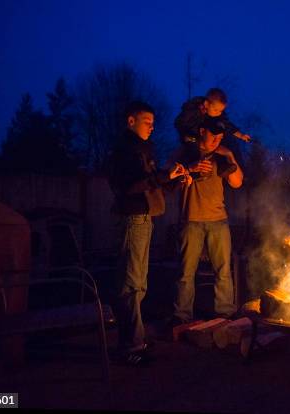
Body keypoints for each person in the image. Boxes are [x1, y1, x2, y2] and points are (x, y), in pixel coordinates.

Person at [107, 101, 187, 365]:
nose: (152, 127)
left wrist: (174, 178)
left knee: (138, 282)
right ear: (131, 121)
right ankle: (131, 346)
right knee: (131, 283)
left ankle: (136, 339)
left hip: (143, 219)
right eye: (146, 122)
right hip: (133, 218)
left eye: (153, 123)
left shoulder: (142, 149)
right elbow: (129, 186)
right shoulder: (125, 150)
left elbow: (153, 186)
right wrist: (163, 176)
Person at [170, 117, 244, 324]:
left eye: (220, 137)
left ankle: (225, 313)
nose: (216, 140)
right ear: (202, 131)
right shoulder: (185, 152)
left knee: (223, 271)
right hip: (190, 220)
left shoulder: (221, 155)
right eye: (213, 136)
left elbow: (237, 182)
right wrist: (191, 167)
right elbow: (167, 177)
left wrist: (229, 155)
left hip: (218, 220)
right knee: (185, 273)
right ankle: (182, 316)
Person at [174, 88, 250, 179]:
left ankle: (223, 167)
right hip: (190, 136)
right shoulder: (192, 110)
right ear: (206, 104)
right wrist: (186, 133)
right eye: (215, 110)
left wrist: (241, 135)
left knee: (217, 146)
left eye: (220, 111)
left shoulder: (216, 115)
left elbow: (227, 125)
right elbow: (179, 122)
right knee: (194, 150)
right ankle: (195, 174)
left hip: (203, 137)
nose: (218, 113)